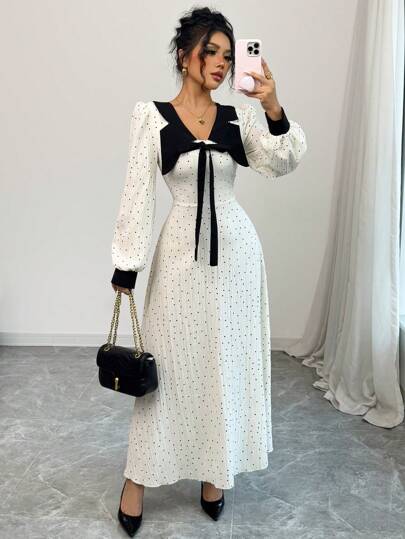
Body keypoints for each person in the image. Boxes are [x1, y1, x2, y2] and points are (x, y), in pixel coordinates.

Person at [111, 6, 307, 536]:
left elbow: (282, 160)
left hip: (237, 259)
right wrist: (126, 266)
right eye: (210, 52)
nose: (221, 63)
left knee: (223, 364)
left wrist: (271, 104)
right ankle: (137, 479)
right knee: (167, 369)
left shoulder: (236, 120)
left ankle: (215, 472)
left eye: (227, 55)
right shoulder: (151, 117)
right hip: (180, 254)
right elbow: (137, 194)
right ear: (184, 56)